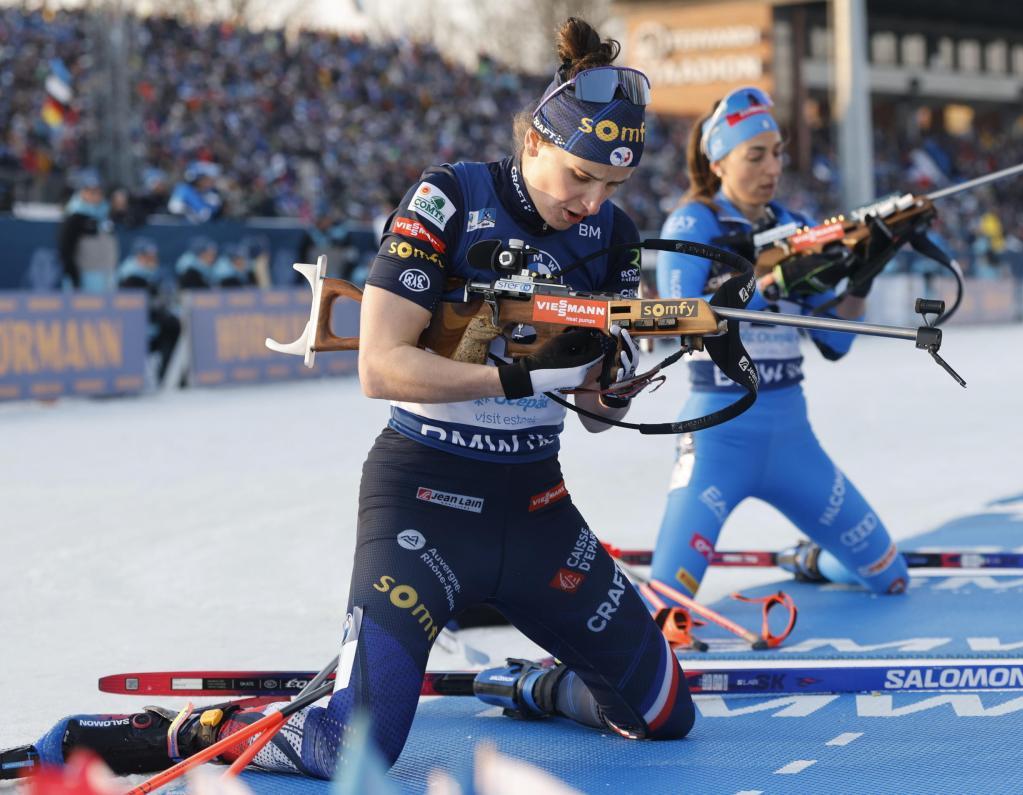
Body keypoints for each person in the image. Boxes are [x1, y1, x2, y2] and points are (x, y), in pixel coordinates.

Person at [4, 19, 690, 785]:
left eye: (611, 186)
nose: (593, 202)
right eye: (579, 176)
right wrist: (517, 374)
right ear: (534, 140)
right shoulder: (451, 197)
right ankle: (175, 733)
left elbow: (597, 415)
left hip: (536, 507)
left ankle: (528, 683)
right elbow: (380, 364)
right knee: (350, 747)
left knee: (663, 713)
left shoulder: (615, 237)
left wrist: (614, 384)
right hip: (425, 501)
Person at [648, 87, 909, 599]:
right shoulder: (692, 223)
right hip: (719, 435)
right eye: (756, 155)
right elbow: (676, 326)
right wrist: (772, 287)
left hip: (793, 438)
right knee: (668, 604)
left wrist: (862, 278)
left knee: (889, 575)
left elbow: (834, 343)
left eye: (778, 152)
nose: (773, 167)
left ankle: (810, 560)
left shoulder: (792, 228)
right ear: (719, 161)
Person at [117, 238, 182, 382]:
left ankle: (168, 375)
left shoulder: (145, 276)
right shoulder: (131, 278)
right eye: (149, 257)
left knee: (174, 327)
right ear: (139, 257)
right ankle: (165, 376)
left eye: (154, 256)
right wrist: (168, 318)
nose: (154, 260)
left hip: (148, 323)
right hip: (135, 329)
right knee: (172, 328)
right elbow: (140, 311)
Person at [56, 170, 116, 291]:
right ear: (82, 192)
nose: (96, 195)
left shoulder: (104, 215)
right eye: (91, 191)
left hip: (106, 277)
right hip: (83, 278)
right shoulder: (74, 217)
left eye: (98, 191)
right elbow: (65, 249)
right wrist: (73, 276)